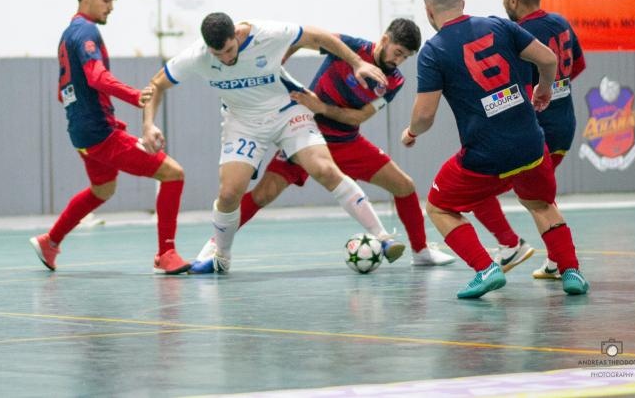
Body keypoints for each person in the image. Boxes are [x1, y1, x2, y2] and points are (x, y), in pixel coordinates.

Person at [142, 12, 406, 274]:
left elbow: (316, 35)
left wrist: (357, 62)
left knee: (325, 170)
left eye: (229, 50)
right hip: (242, 123)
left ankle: (382, 238)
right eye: (218, 54)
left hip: (288, 110)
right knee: (229, 193)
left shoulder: (267, 34)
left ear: (237, 34)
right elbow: (157, 83)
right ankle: (221, 256)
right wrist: (148, 124)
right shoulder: (198, 55)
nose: (226, 59)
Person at [193, 19, 455, 267]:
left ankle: (420, 252)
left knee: (404, 186)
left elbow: (361, 115)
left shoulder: (394, 80)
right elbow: (299, 39)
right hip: (305, 136)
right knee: (263, 194)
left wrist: (321, 107)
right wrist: (278, 64)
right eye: (397, 52)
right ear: (384, 39)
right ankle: (216, 243)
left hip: (347, 142)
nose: (398, 60)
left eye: (405, 57)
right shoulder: (349, 47)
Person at [401, 0, 589, 298]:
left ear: (429, 12)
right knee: (542, 204)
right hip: (532, 144)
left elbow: (425, 115)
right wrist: (544, 88)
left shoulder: (433, 51)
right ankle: (571, 272)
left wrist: (411, 131)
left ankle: (486, 268)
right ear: (462, 2)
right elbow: (548, 58)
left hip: (485, 156)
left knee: (439, 206)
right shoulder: (499, 25)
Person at [29, 0, 192, 275]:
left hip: (81, 135)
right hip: (99, 134)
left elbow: (62, 92)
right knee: (173, 174)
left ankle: (50, 242)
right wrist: (135, 96)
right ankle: (166, 253)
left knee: (103, 190)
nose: (111, 7)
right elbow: (96, 76)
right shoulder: (86, 32)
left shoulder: (68, 35)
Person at [470, 0, 588, 279]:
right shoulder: (560, 22)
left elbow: (513, 86)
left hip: (533, 133)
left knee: (475, 188)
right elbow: (577, 65)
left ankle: (511, 246)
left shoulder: (518, 34)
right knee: (540, 196)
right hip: (565, 124)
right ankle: (556, 261)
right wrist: (553, 87)